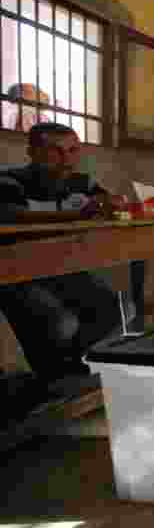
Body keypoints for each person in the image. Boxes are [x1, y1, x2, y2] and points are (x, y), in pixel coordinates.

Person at [0, 122, 124, 380]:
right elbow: (11, 215)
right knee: (61, 323)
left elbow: (109, 201)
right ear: (32, 152)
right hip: (15, 272)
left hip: (59, 267)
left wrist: (111, 203)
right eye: (55, 151)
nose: (66, 160)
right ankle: (52, 374)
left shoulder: (81, 181)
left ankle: (63, 369)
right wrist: (75, 215)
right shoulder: (10, 180)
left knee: (113, 308)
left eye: (73, 151)